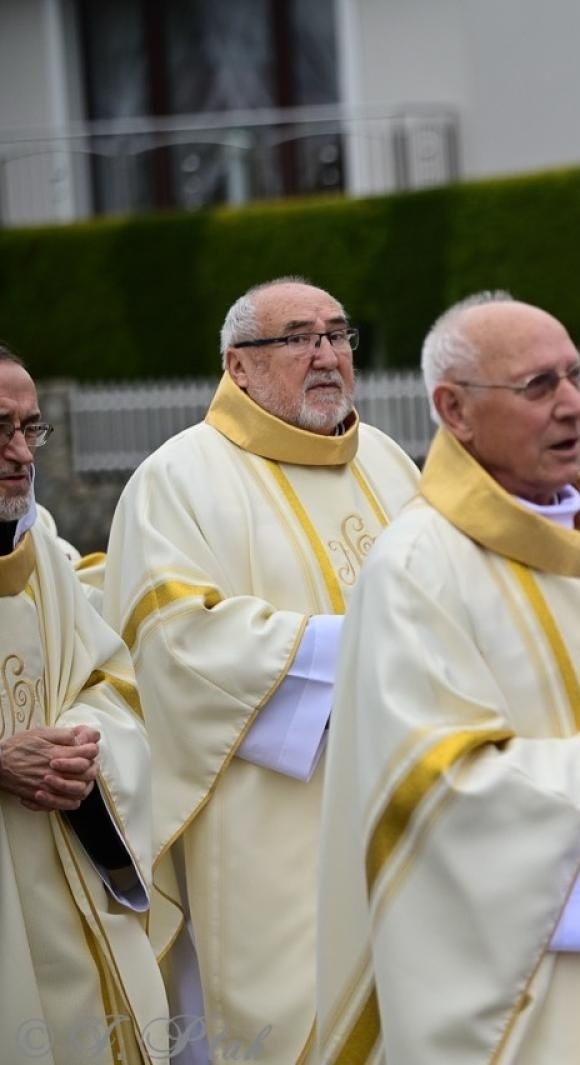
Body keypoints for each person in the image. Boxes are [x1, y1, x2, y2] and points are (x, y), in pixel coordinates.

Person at [316, 292, 580, 1064]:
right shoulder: (416, 567)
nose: (574, 405)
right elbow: (431, 791)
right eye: (539, 386)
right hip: (523, 988)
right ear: (456, 410)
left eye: (576, 376)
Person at [100, 279, 420, 1064]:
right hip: (271, 825)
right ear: (238, 367)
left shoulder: (385, 461)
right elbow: (179, 645)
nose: (326, 355)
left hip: (400, 802)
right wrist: (370, 651)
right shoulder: (177, 480)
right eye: (299, 337)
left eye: (339, 335)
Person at [0, 347, 169, 1064]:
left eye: (29, 429)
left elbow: (111, 678)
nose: (19, 453)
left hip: (66, 886)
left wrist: (83, 743)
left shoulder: (47, 559)